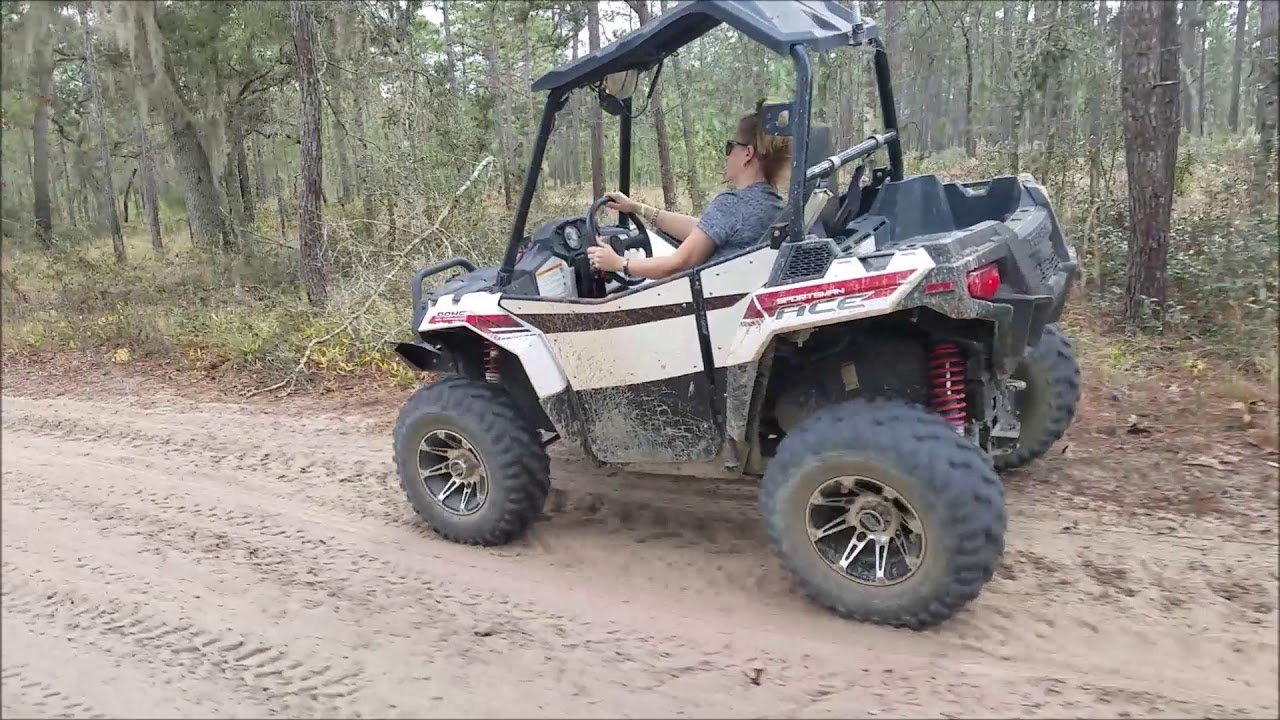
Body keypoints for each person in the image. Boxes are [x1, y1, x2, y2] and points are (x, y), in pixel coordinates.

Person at [586, 99, 792, 281]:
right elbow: (704, 229)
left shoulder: (732, 205)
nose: (727, 155)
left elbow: (678, 263)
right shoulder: (774, 205)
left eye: (730, 147)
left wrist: (619, 264)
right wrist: (637, 208)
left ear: (748, 153)